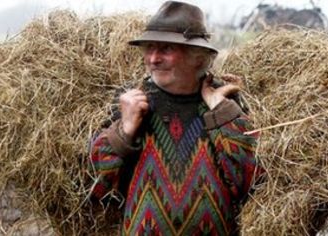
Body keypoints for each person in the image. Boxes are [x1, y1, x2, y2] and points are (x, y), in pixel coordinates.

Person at [90, 1, 262, 235]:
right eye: (149, 48)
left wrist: (221, 112)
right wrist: (124, 130)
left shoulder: (226, 104)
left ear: (198, 58)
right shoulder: (130, 102)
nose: (153, 58)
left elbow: (250, 184)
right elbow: (95, 189)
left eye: (166, 49)